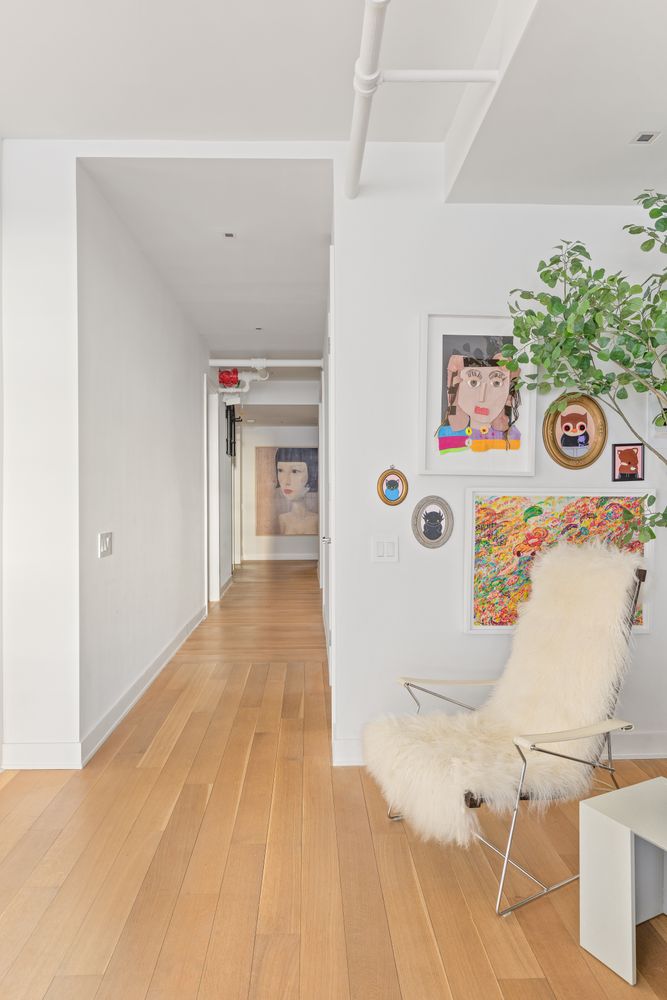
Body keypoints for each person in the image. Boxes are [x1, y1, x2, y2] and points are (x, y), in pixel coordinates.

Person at [435, 354, 521, 455]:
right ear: (455, 386)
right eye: (473, 383)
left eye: (496, 383)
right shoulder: (446, 436)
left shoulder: (513, 438)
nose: (482, 398)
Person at [275, 447, 319, 535]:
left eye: (294, 471)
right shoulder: (281, 520)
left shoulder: (319, 520)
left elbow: (326, 540)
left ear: (312, 473)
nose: (286, 481)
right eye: (280, 470)